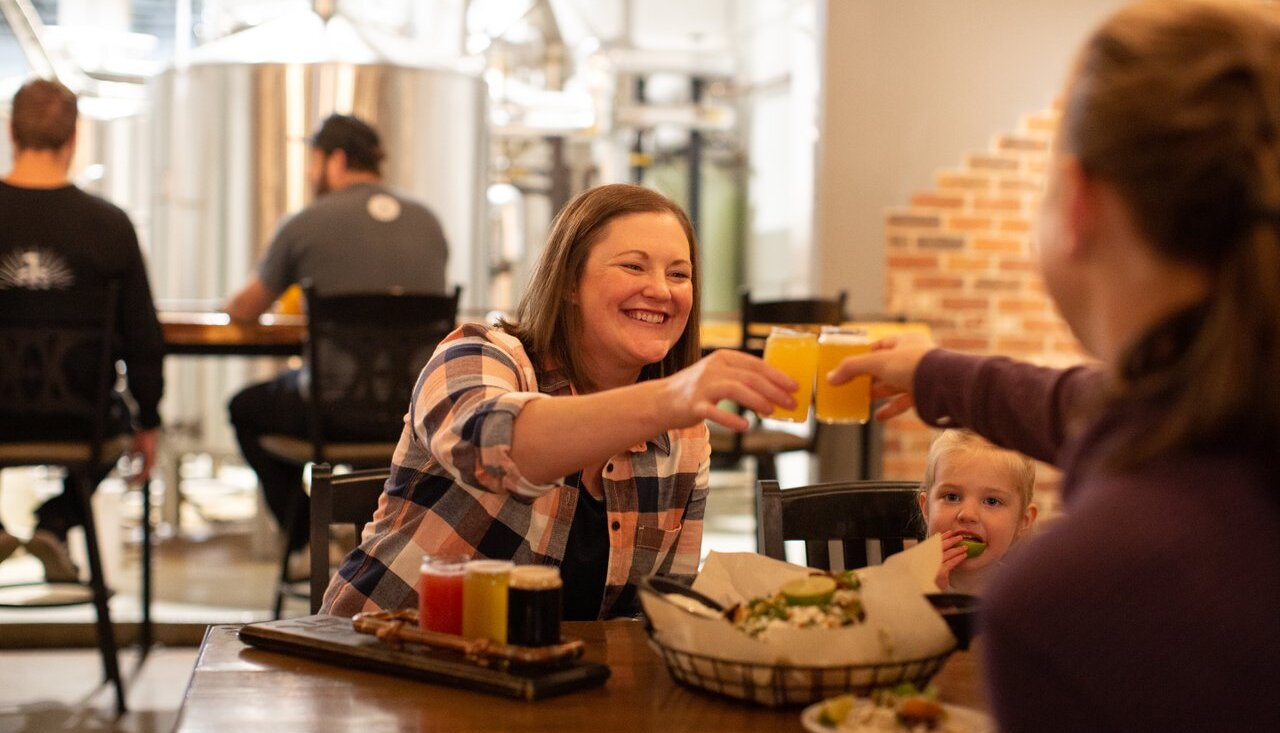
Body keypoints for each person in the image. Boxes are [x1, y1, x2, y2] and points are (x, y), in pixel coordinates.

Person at [828, 2, 1280, 729]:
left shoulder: (1073, 601)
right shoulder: (1234, 412)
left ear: (1078, 205)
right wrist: (935, 374)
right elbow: (1093, 405)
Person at [322, 183, 797, 620]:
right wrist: (671, 397)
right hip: (376, 666)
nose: (661, 289)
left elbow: (654, 616)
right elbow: (496, 449)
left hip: (532, 688)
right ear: (570, 282)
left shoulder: (683, 434)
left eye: (679, 273)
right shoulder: (480, 354)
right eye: (633, 266)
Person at [224, 113, 450, 561]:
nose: (311, 174)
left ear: (337, 159)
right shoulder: (429, 223)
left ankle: (308, 541)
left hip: (329, 414)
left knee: (244, 408)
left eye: (313, 162)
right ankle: (373, 544)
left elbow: (245, 309)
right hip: (414, 415)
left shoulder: (305, 223)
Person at [0, 78, 164, 582]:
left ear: (11, 132)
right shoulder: (110, 225)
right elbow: (143, 336)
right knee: (115, 422)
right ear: (74, 139)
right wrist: (149, 420)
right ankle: (56, 520)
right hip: (82, 425)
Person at [917, 429, 1037, 594]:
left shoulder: (1029, 598)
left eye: (991, 501)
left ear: (1023, 520)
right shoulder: (902, 588)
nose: (968, 514)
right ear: (926, 508)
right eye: (952, 497)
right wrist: (923, 598)